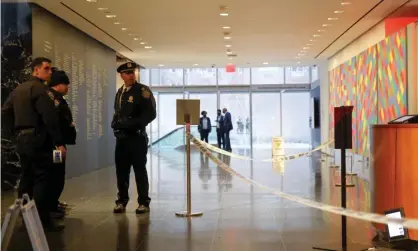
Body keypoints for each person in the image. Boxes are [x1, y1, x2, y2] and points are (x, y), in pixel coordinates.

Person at [1, 57, 66, 231]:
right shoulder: (40, 90)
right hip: (38, 139)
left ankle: (24, 216)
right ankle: (42, 221)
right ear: (36, 70)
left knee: (27, 177)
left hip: (22, 140)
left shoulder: (18, 89)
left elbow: (5, 112)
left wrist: (14, 133)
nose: (50, 72)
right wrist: (59, 142)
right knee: (42, 179)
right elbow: (49, 118)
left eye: (51, 69)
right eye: (46, 68)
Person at [111, 62, 156, 214]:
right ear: (121, 75)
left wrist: (132, 124)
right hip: (122, 138)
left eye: (133, 72)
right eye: (128, 73)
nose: (131, 75)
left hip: (136, 137)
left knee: (139, 170)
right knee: (121, 171)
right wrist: (116, 123)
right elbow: (118, 111)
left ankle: (143, 202)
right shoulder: (120, 92)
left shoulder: (142, 91)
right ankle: (121, 201)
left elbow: (150, 114)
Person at [47, 69, 77, 219]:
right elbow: (53, 124)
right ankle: (50, 207)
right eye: (66, 85)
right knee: (56, 175)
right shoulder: (53, 100)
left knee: (57, 175)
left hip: (58, 144)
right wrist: (59, 144)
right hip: (54, 146)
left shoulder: (57, 98)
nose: (68, 88)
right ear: (59, 84)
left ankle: (53, 203)